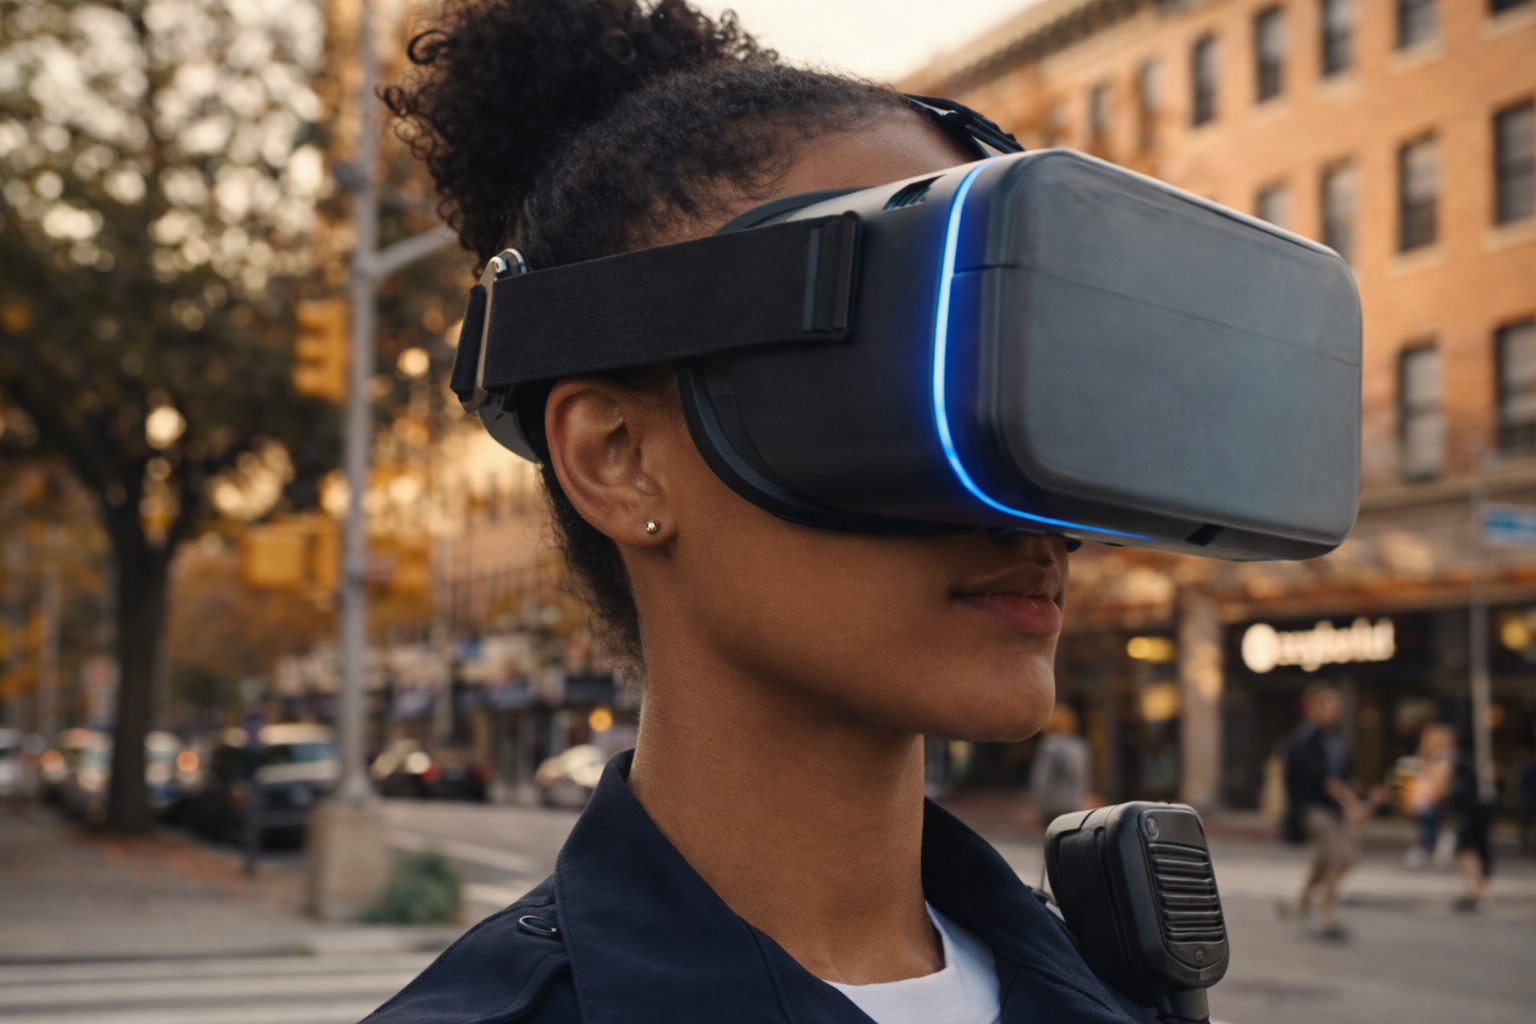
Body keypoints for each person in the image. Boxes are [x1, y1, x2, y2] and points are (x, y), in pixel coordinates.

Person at [366, 2, 1151, 1022]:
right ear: (620, 459)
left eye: (1032, 390)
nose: (1019, 488)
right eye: (915, 374)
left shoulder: (1125, 987)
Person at [1280, 682, 1382, 942]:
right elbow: (1327, 781)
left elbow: (1346, 776)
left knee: (1324, 862)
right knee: (1342, 858)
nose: (1333, 711)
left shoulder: (1336, 739)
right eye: (1328, 706)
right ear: (1313, 707)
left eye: (1336, 706)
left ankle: (1299, 904)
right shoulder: (1304, 739)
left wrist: (1364, 798)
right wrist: (1353, 806)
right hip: (1314, 809)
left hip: (1334, 810)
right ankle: (1327, 918)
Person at [1449, 740, 1494, 912]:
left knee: (1468, 853)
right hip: (1479, 816)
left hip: (1470, 817)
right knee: (1479, 853)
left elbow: (1459, 795)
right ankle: (1478, 893)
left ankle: (1475, 893)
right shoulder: (1479, 768)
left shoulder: (1464, 767)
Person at [1402, 722, 1454, 868]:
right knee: (1427, 823)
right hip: (1425, 796)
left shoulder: (1444, 757)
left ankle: (1428, 846)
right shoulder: (1429, 756)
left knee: (1429, 823)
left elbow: (1440, 779)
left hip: (1435, 796)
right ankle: (1430, 845)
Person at [1029, 704, 1091, 825]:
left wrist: (1039, 801)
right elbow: (1084, 775)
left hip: (1052, 803)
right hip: (1074, 802)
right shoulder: (1079, 744)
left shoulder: (1050, 744)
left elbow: (1042, 778)